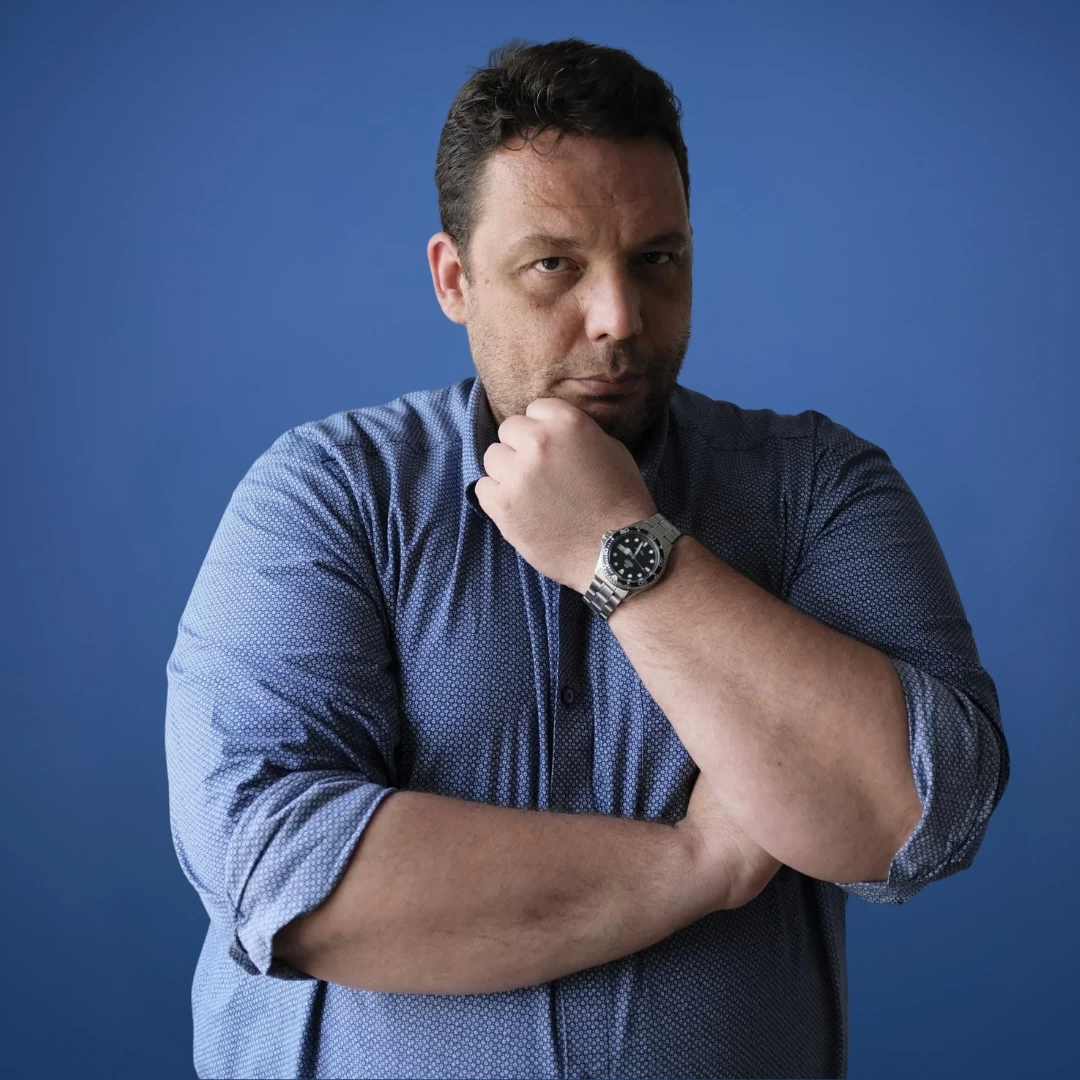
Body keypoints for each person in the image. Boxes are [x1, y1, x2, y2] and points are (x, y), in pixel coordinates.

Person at [164, 36, 1009, 1080]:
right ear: (454, 279)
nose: (619, 320)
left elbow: (916, 817)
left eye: (657, 260)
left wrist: (626, 550)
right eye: (554, 265)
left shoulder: (817, 488)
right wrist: (698, 863)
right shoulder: (327, 492)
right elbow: (278, 877)